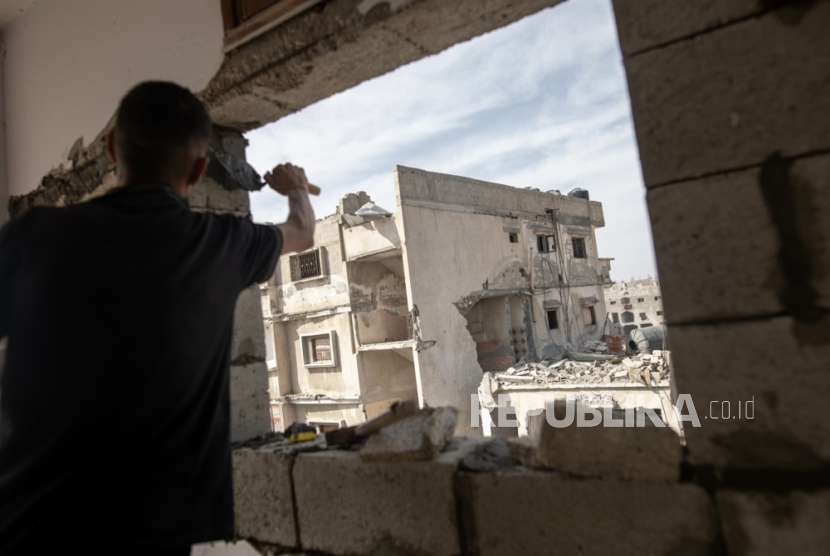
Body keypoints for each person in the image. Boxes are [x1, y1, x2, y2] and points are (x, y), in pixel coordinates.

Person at [0, 81, 315, 554]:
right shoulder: (224, 243)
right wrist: (293, 187)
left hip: (24, 529)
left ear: (111, 149)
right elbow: (303, 231)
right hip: (151, 537)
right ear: (200, 169)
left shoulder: (34, 235)